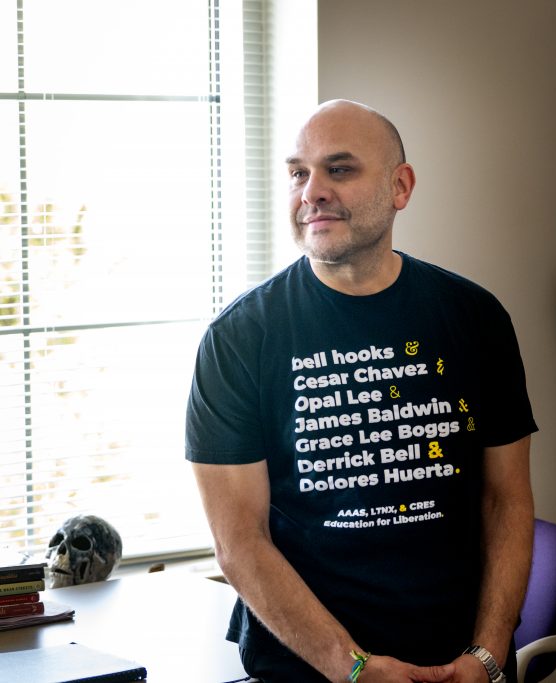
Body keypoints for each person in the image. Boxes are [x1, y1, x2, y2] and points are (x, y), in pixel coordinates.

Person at [185, 99, 537, 683]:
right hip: (307, 667)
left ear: (400, 187)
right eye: (299, 173)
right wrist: (350, 667)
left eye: (339, 170)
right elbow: (239, 542)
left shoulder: (475, 318)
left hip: (460, 663)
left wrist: (490, 653)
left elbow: (508, 499)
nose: (311, 191)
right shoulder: (240, 338)